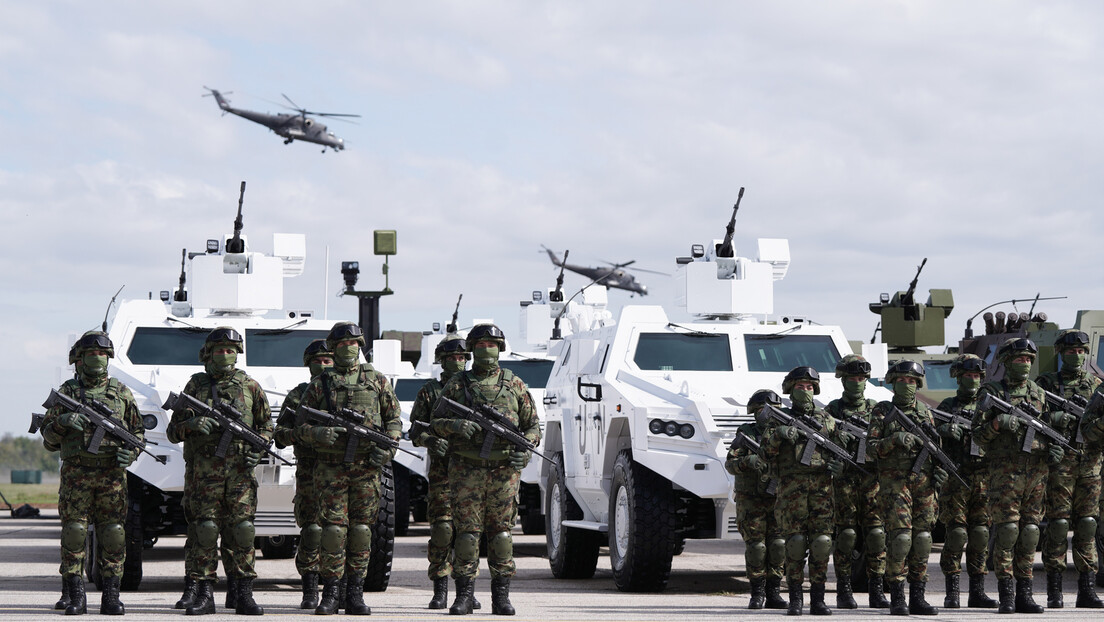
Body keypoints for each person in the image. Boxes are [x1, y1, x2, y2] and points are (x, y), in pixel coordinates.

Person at [429, 323, 541, 616]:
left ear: (500, 348)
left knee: (501, 534)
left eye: (491, 345)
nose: (486, 350)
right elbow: (434, 423)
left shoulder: (515, 384)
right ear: (471, 349)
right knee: (467, 534)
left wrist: (526, 450)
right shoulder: (456, 385)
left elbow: (532, 426)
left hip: (504, 472)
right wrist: (457, 426)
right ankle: (463, 596)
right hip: (466, 470)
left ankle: (501, 597)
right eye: (480, 345)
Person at [297, 321, 401, 616]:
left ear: (361, 346)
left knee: (361, 531)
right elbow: (301, 424)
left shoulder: (377, 380)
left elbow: (394, 419)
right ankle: (330, 593)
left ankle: (354, 593)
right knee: (332, 531)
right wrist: (318, 434)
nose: (349, 348)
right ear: (334, 348)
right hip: (330, 470)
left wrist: (389, 445)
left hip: (367, 468)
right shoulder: (321, 384)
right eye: (342, 345)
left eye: (354, 343)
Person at [166, 326, 271, 616]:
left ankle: (243, 594)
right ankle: (204, 594)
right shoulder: (196, 386)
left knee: (242, 532)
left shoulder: (250, 387)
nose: (225, 354)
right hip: (204, 474)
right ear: (208, 353)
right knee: (205, 531)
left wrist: (259, 448)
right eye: (219, 350)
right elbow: (173, 431)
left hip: (240, 474)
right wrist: (193, 425)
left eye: (230, 350)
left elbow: (266, 426)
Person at [41, 330, 143, 615]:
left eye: (101, 354)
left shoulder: (121, 393)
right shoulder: (67, 393)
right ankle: (76, 595)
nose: (96, 358)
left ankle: (111, 596)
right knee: (74, 533)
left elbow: (137, 433)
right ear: (79, 359)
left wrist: (131, 453)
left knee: (113, 534)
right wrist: (62, 421)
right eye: (90, 354)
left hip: (112, 477)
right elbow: (48, 440)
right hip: (77, 475)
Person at [971, 337, 1052, 613]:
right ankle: (1006, 593)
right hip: (1005, 475)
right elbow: (977, 437)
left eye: (1029, 359)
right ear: (1007, 361)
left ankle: (1025, 594)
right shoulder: (991, 392)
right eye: (1019, 359)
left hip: (1035, 474)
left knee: (1030, 532)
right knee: (1007, 532)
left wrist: (1052, 450)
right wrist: (997, 423)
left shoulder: (1039, 394)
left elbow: (1048, 431)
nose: (1025, 364)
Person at [408, 334, 481, 610]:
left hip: (473, 473)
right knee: (442, 529)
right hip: (442, 472)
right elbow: (415, 430)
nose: (457, 362)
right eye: (452, 358)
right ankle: (440, 588)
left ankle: (467, 587)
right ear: (442, 361)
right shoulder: (429, 391)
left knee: (469, 532)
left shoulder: (476, 389)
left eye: (462, 357)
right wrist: (430, 440)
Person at [761, 366, 841, 616]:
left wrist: (838, 466)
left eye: (809, 387)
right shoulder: (776, 419)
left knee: (821, 542)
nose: (805, 391)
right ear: (790, 390)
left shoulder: (826, 419)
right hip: (791, 488)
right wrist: (779, 435)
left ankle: (818, 598)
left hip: (821, 489)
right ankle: (795, 597)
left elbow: (837, 449)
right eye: (799, 387)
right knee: (795, 543)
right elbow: (764, 453)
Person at [867, 360, 942, 616]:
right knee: (900, 539)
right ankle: (897, 595)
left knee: (922, 540)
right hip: (894, 483)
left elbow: (933, 449)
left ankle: (918, 596)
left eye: (911, 381)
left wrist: (939, 470)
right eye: (901, 381)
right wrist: (894, 439)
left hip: (923, 483)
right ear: (892, 382)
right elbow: (871, 449)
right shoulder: (882, 412)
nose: (907, 385)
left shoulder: (925, 411)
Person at [1036, 330, 1104, 608]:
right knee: (1058, 527)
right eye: (1070, 351)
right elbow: (1034, 418)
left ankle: (1087, 590)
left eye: (1080, 351)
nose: (1076, 356)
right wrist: (1056, 417)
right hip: (1059, 467)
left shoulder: (1096, 385)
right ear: (1060, 353)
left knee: (1088, 526)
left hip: (1090, 466)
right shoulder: (1047, 384)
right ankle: (1054, 591)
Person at [824, 354, 889, 609]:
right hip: (844, 483)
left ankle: (877, 589)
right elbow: (821, 444)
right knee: (847, 535)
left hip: (872, 481)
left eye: (862, 378)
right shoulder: (832, 411)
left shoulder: (878, 409)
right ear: (843, 380)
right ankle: (844, 589)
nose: (858, 383)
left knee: (876, 535)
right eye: (852, 378)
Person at [273, 339, 333, 610]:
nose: (322, 365)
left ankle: (337, 588)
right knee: (311, 530)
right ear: (308, 364)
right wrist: (303, 433)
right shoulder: (298, 395)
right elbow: (280, 435)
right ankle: (310, 588)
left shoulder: (349, 392)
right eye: (317, 361)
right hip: (309, 472)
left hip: (344, 473)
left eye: (327, 361)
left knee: (340, 533)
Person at [934, 354, 997, 609]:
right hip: (956, 479)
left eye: (976, 376)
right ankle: (952, 591)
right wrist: (943, 430)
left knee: (981, 534)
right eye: (967, 376)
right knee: (957, 534)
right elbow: (928, 439)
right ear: (957, 377)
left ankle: (977, 591)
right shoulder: (947, 407)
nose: (972, 380)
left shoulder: (990, 406)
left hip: (984, 478)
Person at [724, 389, 788, 610]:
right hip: (751, 500)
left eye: (773, 411)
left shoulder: (784, 434)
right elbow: (730, 464)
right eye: (763, 410)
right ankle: (757, 592)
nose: (768, 415)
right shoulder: (747, 434)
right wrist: (748, 462)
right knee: (756, 547)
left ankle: (774, 592)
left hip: (777, 498)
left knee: (779, 545)